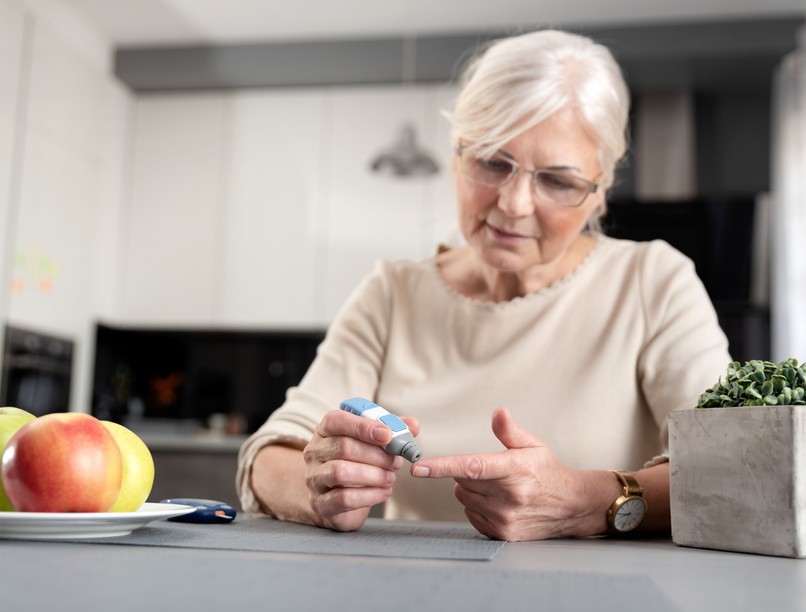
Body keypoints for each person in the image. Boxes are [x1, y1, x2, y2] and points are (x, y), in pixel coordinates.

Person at [235, 29, 731, 541]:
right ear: (456, 154)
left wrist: (587, 501)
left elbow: (730, 467)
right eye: (493, 161)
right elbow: (267, 458)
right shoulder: (392, 294)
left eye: (557, 181)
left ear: (599, 192)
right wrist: (318, 485)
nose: (514, 204)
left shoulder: (654, 283)